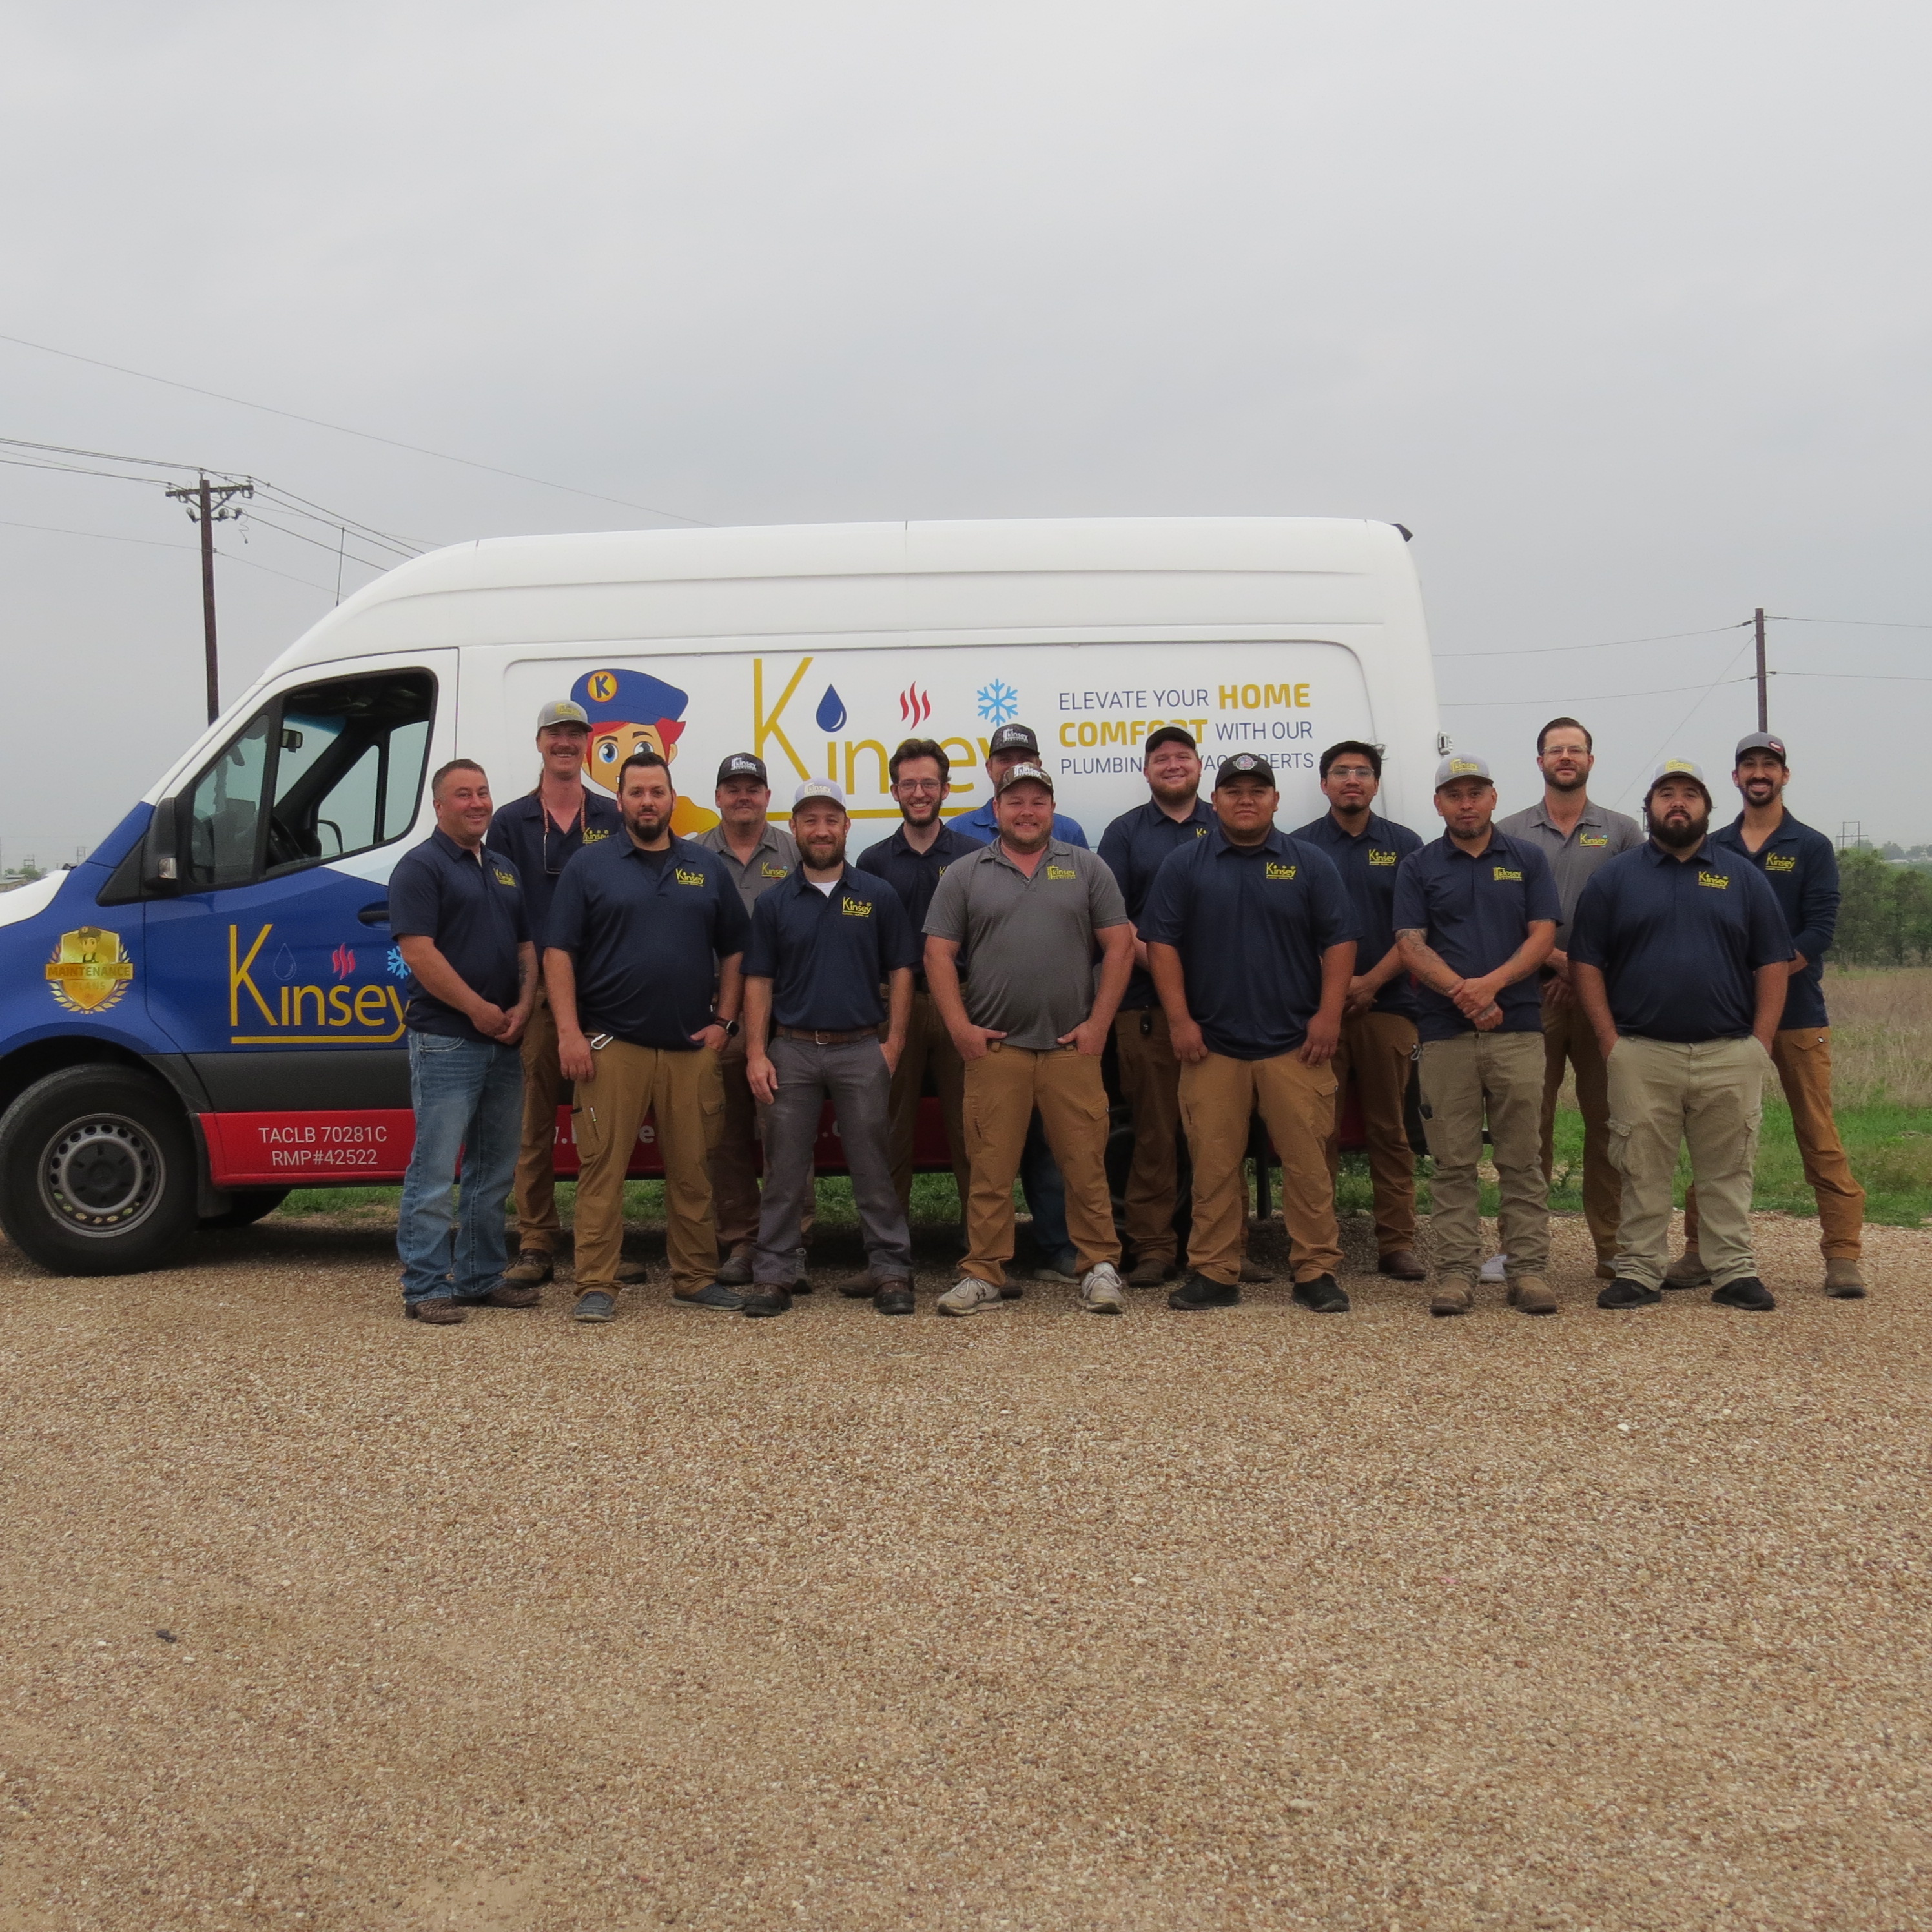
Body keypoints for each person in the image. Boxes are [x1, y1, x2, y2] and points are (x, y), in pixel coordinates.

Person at [1570, 761, 1794, 1312]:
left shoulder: (1743, 877)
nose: (1678, 803)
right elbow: (1586, 962)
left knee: (1728, 1169)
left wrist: (1761, 1042)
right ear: (1649, 808)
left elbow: (1772, 960)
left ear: (1707, 808)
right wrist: (1609, 1040)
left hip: (1729, 1051)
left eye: (1690, 794)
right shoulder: (1615, 878)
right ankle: (1639, 1271)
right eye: (1666, 793)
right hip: (1641, 1053)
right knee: (1640, 1168)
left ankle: (1733, 1271)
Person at [1144, 753, 1357, 1313]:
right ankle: (1215, 1272)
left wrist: (1329, 1016)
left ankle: (1316, 1271)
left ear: (1275, 800)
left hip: (1296, 1044)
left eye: (1257, 791)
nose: (1246, 800)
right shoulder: (1184, 864)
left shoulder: (1309, 863)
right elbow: (1161, 945)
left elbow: (1340, 941)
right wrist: (1180, 1021)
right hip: (1212, 1045)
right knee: (1213, 1167)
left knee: (1308, 1167)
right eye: (1233, 791)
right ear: (1215, 801)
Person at [543, 751, 750, 1321]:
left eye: (657, 791)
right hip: (613, 1046)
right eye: (637, 792)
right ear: (620, 801)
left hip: (690, 1049)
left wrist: (724, 1022)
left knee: (694, 1170)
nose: (648, 802)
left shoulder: (704, 866)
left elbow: (737, 947)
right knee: (602, 1170)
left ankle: (695, 1277)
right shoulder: (589, 865)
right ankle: (595, 1285)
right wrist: (569, 1032)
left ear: (672, 798)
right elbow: (558, 952)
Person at [923, 762, 1134, 1315]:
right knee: (990, 1169)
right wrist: (961, 1030)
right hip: (997, 1051)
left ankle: (1099, 1267)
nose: (1027, 811)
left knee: (1085, 1165)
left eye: (1038, 801)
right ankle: (984, 1273)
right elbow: (937, 954)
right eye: (1015, 801)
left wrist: (1098, 1025)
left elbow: (1119, 945)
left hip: (1071, 1050)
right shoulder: (965, 873)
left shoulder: (1086, 867)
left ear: (1053, 809)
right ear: (996, 809)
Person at [1667, 733, 1866, 1297]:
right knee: (1716, 1139)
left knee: (1819, 1136)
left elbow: (1819, 930)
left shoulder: (1811, 846)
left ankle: (1843, 1256)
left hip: (1799, 1016)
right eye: (1749, 765)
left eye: (1769, 765)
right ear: (1735, 778)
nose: (1760, 773)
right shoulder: (1715, 845)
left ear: (1784, 776)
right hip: (1727, 1018)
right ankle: (1700, 1251)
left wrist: (1767, 976)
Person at [741, 781, 919, 1317]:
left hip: (860, 1048)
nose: (821, 830)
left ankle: (890, 1269)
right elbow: (758, 980)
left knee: (873, 1164)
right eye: (810, 820)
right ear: (794, 829)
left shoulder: (878, 895)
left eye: (831, 820)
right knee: (783, 1170)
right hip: (792, 1050)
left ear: (846, 827)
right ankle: (774, 1273)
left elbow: (902, 971)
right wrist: (756, 1052)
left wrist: (894, 1043)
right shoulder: (773, 903)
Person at [1393, 756, 1560, 1316]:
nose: (1465, 804)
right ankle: (1456, 1273)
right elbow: (1410, 943)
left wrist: (1491, 985)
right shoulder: (1418, 865)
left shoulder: (1527, 859)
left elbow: (1542, 936)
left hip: (1517, 1030)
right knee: (1452, 1161)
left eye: (1475, 793)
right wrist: (1463, 993)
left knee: (1522, 1157)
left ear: (1493, 798)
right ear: (1438, 803)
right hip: (1444, 1035)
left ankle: (1527, 1270)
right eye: (1454, 795)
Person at [486, 701, 628, 1291]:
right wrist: (520, 994)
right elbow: (499, 912)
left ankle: (603, 1243)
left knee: (605, 1124)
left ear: (588, 743)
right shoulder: (511, 821)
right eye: (556, 734)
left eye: (575, 734)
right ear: (539, 742)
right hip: (540, 990)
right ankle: (537, 1241)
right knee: (534, 1124)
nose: (565, 743)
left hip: (605, 988)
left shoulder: (613, 815)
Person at [390, 760, 539, 1324]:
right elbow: (418, 952)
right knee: (434, 1172)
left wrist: (524, 1007)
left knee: (494, 1170)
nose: (477, 803)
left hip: (505, 1039)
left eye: (482, 792)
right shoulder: (420, 867)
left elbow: (526, 947)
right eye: (462, 795)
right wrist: (478, 1010)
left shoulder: (503, 868)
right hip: (448, 1039)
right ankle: (425, 1285)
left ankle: (480, 1276)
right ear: (439, 806)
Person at [1495, 717, 1643, 1284]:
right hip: (1529, 998)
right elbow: (1501, 912)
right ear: (1539, 762)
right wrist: (1556, 962)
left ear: (1590, 761)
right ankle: (1520, 1249)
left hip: (1601, 999)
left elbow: (1632, 912)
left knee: (1609, 1123)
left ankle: (1613, 1247)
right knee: (1527, 1127)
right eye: (1555, 750)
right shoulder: (1509, 831)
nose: (1565, 757)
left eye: (1575, 750)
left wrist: (1579, 970)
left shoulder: (1623, 832)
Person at [950, 721, 1090, 1281]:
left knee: (1057, 1147)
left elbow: (1091, 923)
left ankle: (1059, 1245)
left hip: (1060, 1028)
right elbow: (948, 941)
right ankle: (986, 1259)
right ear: (989, 772)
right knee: (989, 1147)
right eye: (1004, 759)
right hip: (990, 1022)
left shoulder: (1071, 833)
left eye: (1023, 757)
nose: (1013, 766)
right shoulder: (961, 833)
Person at [1293, 741, 1426, 1281]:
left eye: (1363, 772)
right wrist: (1334, 989)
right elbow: (1291, 930)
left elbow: (1415, 928)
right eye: (1342, 771)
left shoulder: (1405, 845)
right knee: (1317, 1132)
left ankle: (1397, 1242)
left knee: (1389, 1130)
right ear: (1324, 784)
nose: (1353, 780)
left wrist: (1369, 982)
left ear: (1376, 783)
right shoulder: (1298, 846)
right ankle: (1319, 1246)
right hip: (1317, 1015)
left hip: (1387, 1005)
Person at [1096, 726, 1215, 1288]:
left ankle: (1225, 1247)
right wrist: (1170, 972)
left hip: (1223, 1007)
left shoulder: (1227, 821)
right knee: (1154, 1133)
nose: (1172, 765)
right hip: (1144, 1006)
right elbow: (1113, 921)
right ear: (1145, 771)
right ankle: (1152, 1248)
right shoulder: (1124, 833)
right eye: (1161, 758)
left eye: (1182, 756)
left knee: (1220, 1133)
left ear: (1199, 765)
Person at [854, 737, 977, 1226]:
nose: (919, 793)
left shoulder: (974, 857)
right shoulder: (873, 862)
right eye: (909, 784)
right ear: (894, 791)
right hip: (895, 1005)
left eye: (929, 783)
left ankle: (983, 1246)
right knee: (890, 1128)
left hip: (962, 1002)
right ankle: (890, 1248)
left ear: (946, 789)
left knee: (972, 1128)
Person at [690, 753, 801, 1287]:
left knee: (788, 1130)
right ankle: (741, 1239)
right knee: (726, 1132)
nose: (743, 796)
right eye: (732, 788)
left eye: (752, 788)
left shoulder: (795, 850)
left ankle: (791, 1241)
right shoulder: (692, 856)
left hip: (789, 1009)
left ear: (767, 796)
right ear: (717, 797)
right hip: (720, 1011)